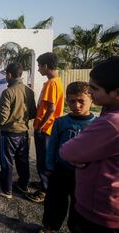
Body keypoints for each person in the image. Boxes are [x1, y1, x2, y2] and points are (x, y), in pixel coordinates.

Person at [60, 57, 119, 233]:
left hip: (100, 210)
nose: (90, 92)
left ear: (116, 92)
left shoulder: (111, 122)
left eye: (94, 88)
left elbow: (67, 151)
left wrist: (83, 158)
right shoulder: (109, 112)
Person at [41, 82, 96, 232]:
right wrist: (50, 167)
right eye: (72, 101)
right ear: (67, 101)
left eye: (81, 101)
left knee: (79, 207)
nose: (76, 105)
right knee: (54, 202)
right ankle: (49, 228)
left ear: (92, 100)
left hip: (84, 175)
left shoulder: (96, 125)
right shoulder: (61, 122)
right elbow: (52, 145)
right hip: (60, 171)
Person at [0, 63, 36, 199]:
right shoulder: (29, 91)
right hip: (23, 133)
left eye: (6, 75)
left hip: (9, 134)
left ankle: (6, 190)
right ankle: (23, 185)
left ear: (9, 75)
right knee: (23, 161)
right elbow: (33, 112)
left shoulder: (8, 92)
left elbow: (3, 116)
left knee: (7, 162)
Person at [26, 52, 64, 203]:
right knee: (46, 159)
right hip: (50, 127)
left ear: (46, 66)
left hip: (46, 128)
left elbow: (51, 109)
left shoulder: (51, 83)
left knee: (44, 160)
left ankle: (45, 190)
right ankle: (44, 184)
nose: (39, 69)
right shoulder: (56, 81)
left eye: (40, 66)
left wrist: (40, 126)